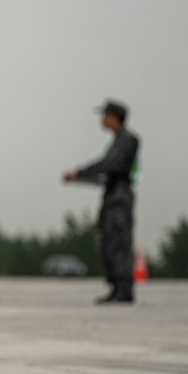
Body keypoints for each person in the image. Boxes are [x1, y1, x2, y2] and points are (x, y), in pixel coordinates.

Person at [63, 99, 140, 303]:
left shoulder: (128, 141)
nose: (102, 120)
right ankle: (117, 287)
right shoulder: (117, 141)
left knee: (119, 242)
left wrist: (80, 172)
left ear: (115, 117)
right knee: (108, 242)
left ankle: (124, 289)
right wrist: (79, 177)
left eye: (105, 115)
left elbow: (110, 165)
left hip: (120, 196)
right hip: (112, 194)